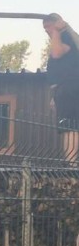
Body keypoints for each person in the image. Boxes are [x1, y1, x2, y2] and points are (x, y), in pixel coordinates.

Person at [43, 13, 79, 162]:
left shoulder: (64, 37)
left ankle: (71, 165)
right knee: (71, 125)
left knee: (69, 126)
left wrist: (56, 31)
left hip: (69, 89)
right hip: (64, 90)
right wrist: (54, 96)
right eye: (45, 28)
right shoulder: (68, 37)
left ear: (57, 24)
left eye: (48, 26)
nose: (47, 30)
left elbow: (57, 53)